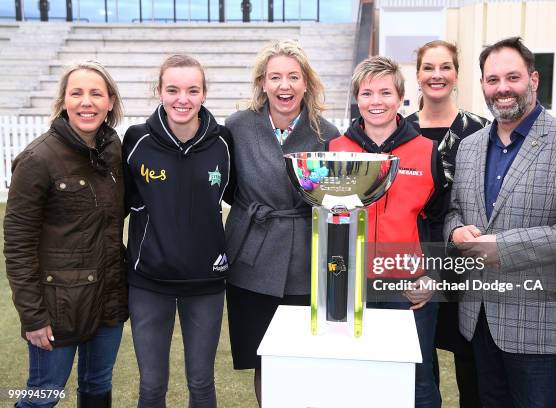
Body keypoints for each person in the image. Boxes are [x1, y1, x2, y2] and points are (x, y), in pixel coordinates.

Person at [444, 37, 556, 408]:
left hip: (544, 328)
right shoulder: (469, 146)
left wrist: (502, 247)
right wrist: (455, 231)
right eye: (492, 79)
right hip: (480, 320)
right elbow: (454, 210)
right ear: (482, 84)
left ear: (533, 79)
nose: (502, 88)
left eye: (512, 77)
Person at [223, 39, 339, 406]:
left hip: (307, 258)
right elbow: (230, 186)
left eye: (293, 77)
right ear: (262, 82)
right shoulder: (238, 126)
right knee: (264, 357)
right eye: (275, 77)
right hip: (252, 255)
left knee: (304, 355)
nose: (284, 86)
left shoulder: (327, 133)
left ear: (307, 82)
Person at [4, 61, 127, 407]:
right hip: (58, 307)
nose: (86, 102)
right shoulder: (37, 159)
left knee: (98, 385)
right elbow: (18, 243)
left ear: (110, 102)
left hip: (108, 301)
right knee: (43, 396)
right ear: (63, 102)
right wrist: (33, 316)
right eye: (76, 93)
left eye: (95, 94)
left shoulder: (114, 152)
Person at [328, 56, 446, 408]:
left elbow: (440, 218)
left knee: (417, 380)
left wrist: (432, 275)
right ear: (357, 99)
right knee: (354, 380)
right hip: (350, 288)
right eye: (367, 93)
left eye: (385, 92)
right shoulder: (336, 150)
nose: (376, 101)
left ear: (400, 98)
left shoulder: (426, 150)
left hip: (408, 289)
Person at [122, 54, 233, 408]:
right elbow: (120, 203)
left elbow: (237, 197)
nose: (182, 99)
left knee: (201, 384)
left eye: (192, 90)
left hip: (206, 284)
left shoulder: (223, 142)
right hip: (149, 283)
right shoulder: (137, 140)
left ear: (204, 94)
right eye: (172, 89)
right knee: (152, 387)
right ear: (159, 91)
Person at [406, 40, 489, 408]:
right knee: (420, 361)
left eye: (445, 67)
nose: (436, 75)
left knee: (470, 359)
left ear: (456, 73)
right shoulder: (400, 130)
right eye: (428, 67)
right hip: (412, 257)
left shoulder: (481, 130)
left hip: (465, 255)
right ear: (417, 74)